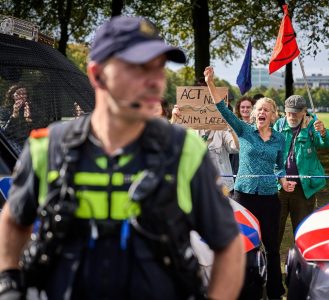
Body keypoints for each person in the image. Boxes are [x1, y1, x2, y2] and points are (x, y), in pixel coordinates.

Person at [0, 16, 245, 300]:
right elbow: (14, 221)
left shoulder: (185, 151)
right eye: (137, 68)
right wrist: (8, 283)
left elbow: (229, 245)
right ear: (97, 74)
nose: (154, 80)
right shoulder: (47, 147)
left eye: (158, 68)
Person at [204, 66, 295, 299]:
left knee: (272, 248)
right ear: (253, 114)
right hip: (243, 197)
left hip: (268, 198)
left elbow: (279, 166)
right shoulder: (244, 130)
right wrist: (210, 82)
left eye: (267, 109)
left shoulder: (280, 139)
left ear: (273, 115)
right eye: (259, 109)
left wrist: (283, 182)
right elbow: (222, 109)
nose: (262, 112)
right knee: (238, 245)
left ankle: (275, 290)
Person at [273, 95, 329, 245]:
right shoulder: (279, 125)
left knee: (302, 231)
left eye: (295, 112)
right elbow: (272, 151)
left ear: (304, 111)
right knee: (275, 228)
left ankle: (301, 264)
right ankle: (272, 263)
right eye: (289, 112)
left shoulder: (313, 124)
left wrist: (323, 132)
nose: (292, 116)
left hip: (303, 187)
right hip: (280, 185)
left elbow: (327, 143)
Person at [171, 104, 239, 194]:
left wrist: (231, 129)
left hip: (222, 187)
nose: (206, 113)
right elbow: (171, 142)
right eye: (203, 111)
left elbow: (235, 148)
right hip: (197, 185)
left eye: (210, 110)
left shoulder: (223, 130)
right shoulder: (189, 129)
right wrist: (174, 119)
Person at [230, 96, 256, 178]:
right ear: (238, 108)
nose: (245, 109)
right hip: (236, 164)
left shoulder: (259, 126)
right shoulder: (233, 125)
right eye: (242, 107)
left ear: (253, 108)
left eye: (248, 107)